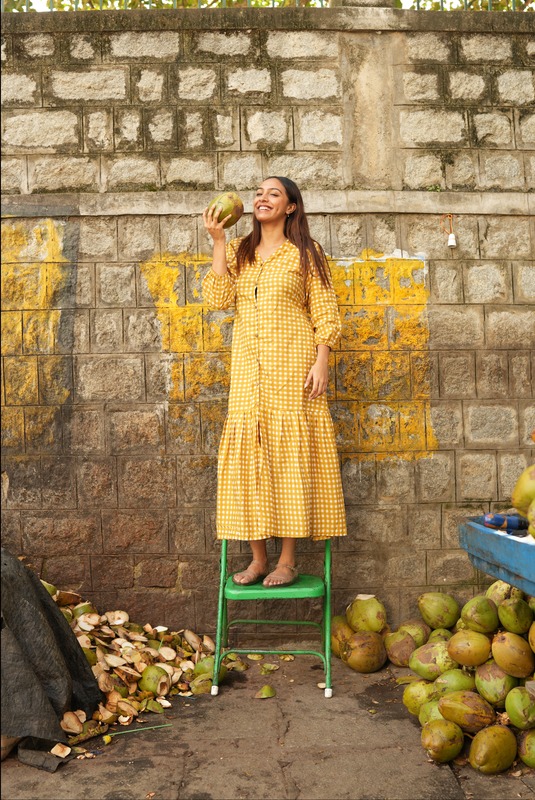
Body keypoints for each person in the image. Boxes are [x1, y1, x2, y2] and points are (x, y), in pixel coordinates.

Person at [202, 176, 347, 588]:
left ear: (290, 207)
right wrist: (217, 241)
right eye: (259, 193)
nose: (262, 198)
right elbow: (217, 299)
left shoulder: (306, 252)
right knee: (249, 456)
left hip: (293, 368)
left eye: (274, 194)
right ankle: (258, 559)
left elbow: (325, 310)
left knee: (289, 460)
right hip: (249, 372)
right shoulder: (239, 251)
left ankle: (287, 560)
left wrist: (322, 361)